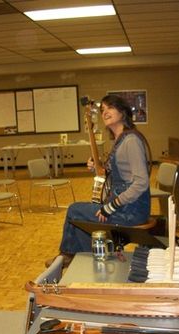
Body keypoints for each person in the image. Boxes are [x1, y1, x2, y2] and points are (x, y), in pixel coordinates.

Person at [46, 94, 152, 267]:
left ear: (122, 112)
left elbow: (141, 183)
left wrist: (111, 206)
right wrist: (98, 166)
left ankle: (71, 256)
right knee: (83, 212)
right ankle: (84, 258)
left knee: (74, 210)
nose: (105, 112)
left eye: (110, 107)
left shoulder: (130, 141)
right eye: (103, 109)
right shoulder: (120, 140)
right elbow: (115, 173)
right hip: (125, 207)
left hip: (130, 212)